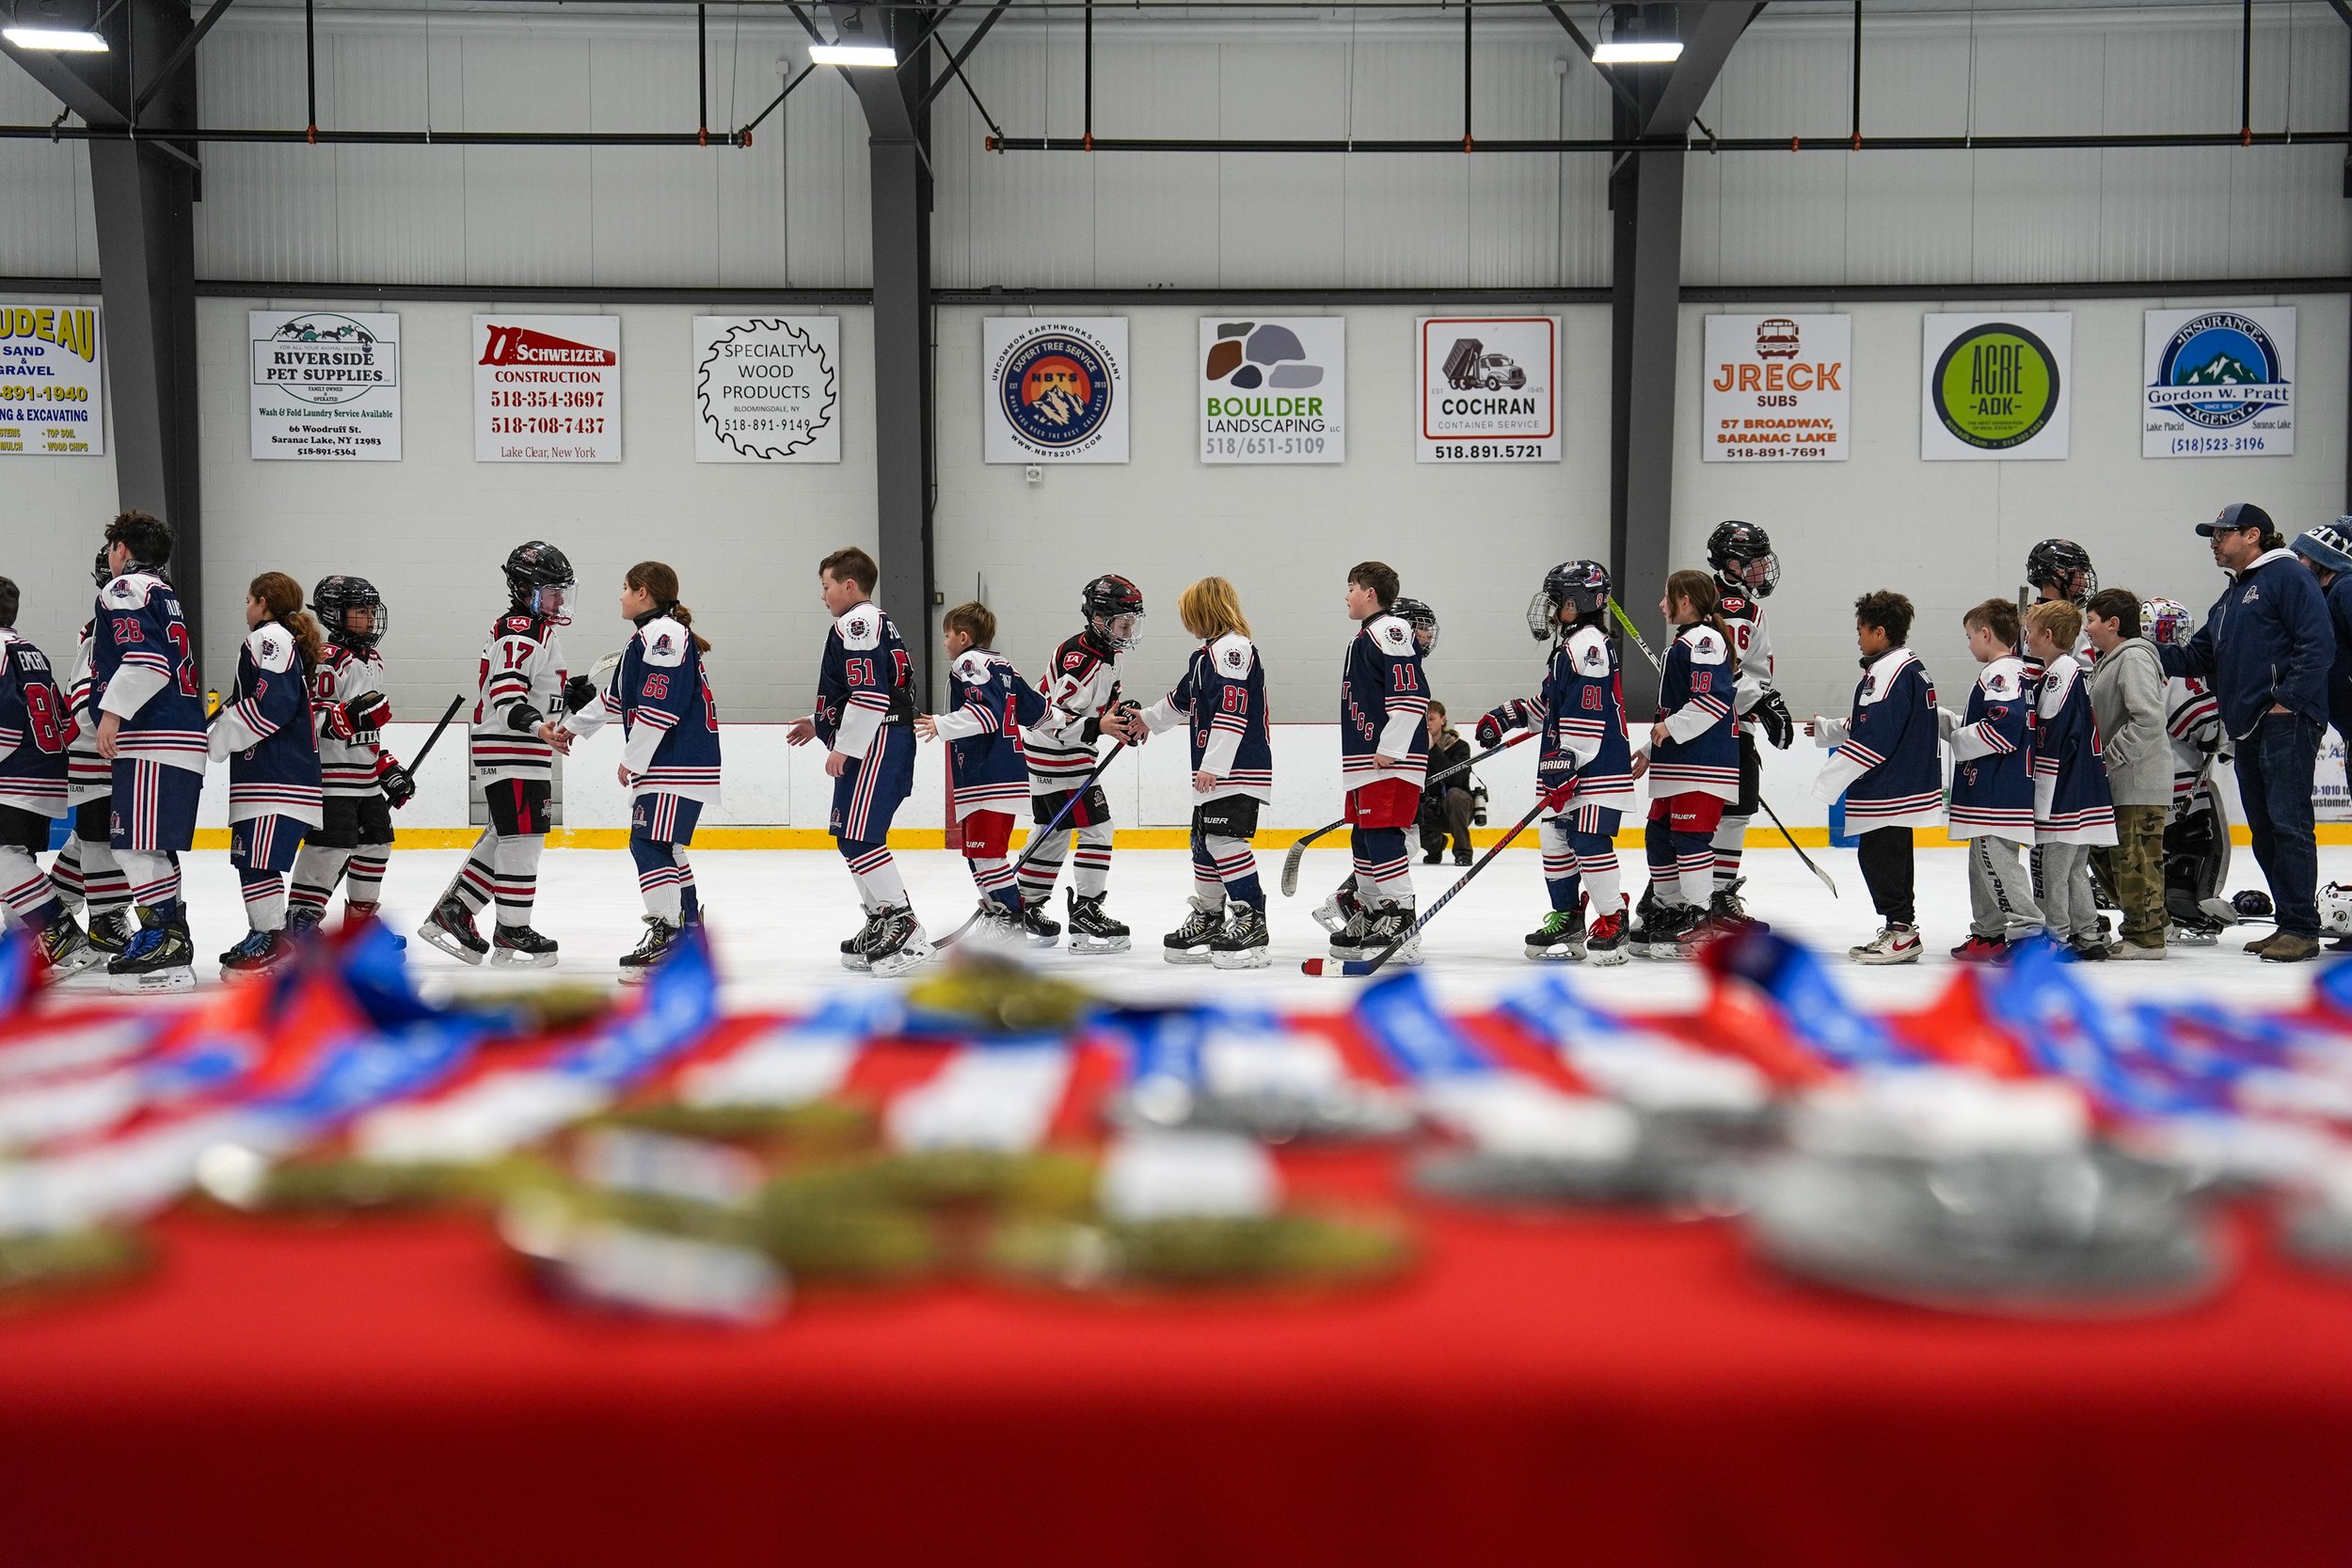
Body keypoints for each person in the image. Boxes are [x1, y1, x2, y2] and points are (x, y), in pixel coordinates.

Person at [2159, 501, 2332, 963]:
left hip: (2285, 722)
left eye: (2221, 533)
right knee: (2265, 830)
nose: (2214, 543)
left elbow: (2319, 643)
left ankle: (2301, 927)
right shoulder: (2233, 594)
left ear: (2253, 535)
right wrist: (2133, 648)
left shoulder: (2287, 576)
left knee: (2289, 825)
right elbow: (2198, 657)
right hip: (2251, 726)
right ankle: (2288, 924)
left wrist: (2287, 701)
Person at [560, 562, 723, 982]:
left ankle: (669, 942)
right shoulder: (650, 637)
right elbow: (616, 699)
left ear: (644, 593)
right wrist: (569, 728)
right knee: (665, 846)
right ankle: (687, 936)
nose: (620, 595)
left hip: (675, 759)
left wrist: (632, 759)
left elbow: (657, 707)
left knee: (648, 844)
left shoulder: (663, 634)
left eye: (625, 588)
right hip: (675, 759)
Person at [418, 541, 577, 969]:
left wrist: (564, 696)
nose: (559, 599)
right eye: (550, 590)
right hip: (511, 747)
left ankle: (455, 912)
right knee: (522, 840)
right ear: (525, 589)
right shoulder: (522, 630)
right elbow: (508, 695)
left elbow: (528, 686)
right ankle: (513, 930)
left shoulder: (529, 629)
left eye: (562, 590)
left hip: (512, 748)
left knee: (506, 835)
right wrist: (541, 726)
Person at [1482, 559, 1635, 965]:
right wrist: (1510, 715)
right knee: (1555, 840)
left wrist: (1570, 757)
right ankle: (1568, 915)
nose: (1550, 609)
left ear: (1578, 601)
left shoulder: (1589, 643)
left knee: (1587, 840)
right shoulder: (1569, 645)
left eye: (1557, 600)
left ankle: (1612, 916)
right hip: (1564, 765)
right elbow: (1553, 706)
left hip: (1596, 765)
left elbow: (1589, 707)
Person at [786, 546, 929, 977]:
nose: (823, 595)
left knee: (861, 837)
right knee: (851, 837)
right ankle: (882, 916)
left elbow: (870, 694)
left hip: (876, 740)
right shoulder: (868, 622)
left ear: (849, 585)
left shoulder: (858, 621)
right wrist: (819, 721)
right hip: (876, 736)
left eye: (826, 586)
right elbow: (862, 689)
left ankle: (901, 922)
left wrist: (845, 746)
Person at [91, 511, 207, 993]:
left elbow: (147, 661)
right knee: (152, 847)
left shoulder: (125, 588)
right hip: (178, 737)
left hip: (152, 736)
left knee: (134, 845)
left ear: (121, 547)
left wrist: (111, 715)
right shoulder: (164, 592)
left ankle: (163, 939)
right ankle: (169, 935)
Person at [1138, 577, 1275, 968]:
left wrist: (1213, 765)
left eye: (1188, 614)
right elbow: (1181, 702)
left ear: (1204, 611)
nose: (1186, 621)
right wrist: (1144, 721)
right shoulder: (1205, 656)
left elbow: (1232, 710)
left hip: (1236, 766)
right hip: (1214, 768)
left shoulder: (1233, 649)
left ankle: (1251, 919)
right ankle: (1210, 917)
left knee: (1225, 841)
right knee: (1203, 843)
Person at [1016, 575, 1151, 953]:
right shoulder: (1080, 659)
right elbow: (1055, 719)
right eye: (1120, 622)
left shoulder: (1111, 652)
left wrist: (1121, 716)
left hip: (1060, 753)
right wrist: (1101, 726)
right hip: (1056, 751)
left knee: (1052, 831)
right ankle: (1086, 911)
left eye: (1131, 622)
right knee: (1098, 829)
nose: (1127, 629)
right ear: (1096, 617)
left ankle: (1023, 905)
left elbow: (1102, 705)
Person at [1805, 592, 1941, 964]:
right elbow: (1875, 723)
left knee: (1882, 857)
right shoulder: (1907, 666)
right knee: (1889, 855)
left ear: (1880, 632)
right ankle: (1901, 928)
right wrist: (1828, 730)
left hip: (1890, 783)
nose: (1858, 637)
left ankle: (1902, 931)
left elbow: (1876, 738)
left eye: (1861, 630)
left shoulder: (1886, 672)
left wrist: (1828, 783)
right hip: (1902, 779)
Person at [207, 573, 326, 981]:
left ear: (263, 603)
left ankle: (275, 942)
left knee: (257, 863)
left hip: (276, 777)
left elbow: (271, 704)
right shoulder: (279, 638)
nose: (245, 609)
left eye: (247, 600)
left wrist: (219, 737)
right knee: (254, 861)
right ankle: (267, 934)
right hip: (274, 776)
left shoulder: (268, 637)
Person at [914, 601, 1048, 946]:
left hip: (990, 775)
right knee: (979, 853)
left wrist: (941, 723)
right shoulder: (1003, 665)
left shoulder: (969, 662)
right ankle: (998, 912)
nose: (944, 643)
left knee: (987, 854)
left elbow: (986, 715)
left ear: (963, 637)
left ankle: (1011, 919)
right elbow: (1039, 712)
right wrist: (1085, 724)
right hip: (991, 776)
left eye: (946, 636)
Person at [287, 577, 413, 936]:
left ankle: (360, 928)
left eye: (372, 610)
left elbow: (368, 731)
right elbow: (309, 717)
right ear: (334, 615)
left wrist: (386, 766)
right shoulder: (328, 660)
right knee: (328, 849)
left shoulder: (373, 660)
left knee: (377, 845)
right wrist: (347, 717)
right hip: (331, 778)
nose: (370, 618)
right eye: (361, 610)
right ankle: (302, 919)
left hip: (364, 780)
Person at [1629, 570, 1740, 959]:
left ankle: (1700, 919)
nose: (1662, 605)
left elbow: (1712, 702)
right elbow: (1682, 708)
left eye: (1667, 597)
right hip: (1679, 762)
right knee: (1659, 834)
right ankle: (1670, 908)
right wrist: (1650, 746)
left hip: (1702, 764)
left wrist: (1668, 728)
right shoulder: (1690, 640)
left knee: (1691, 840)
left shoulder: (1705, 640)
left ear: (1686, 601)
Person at [1326, 562, 1431, 966]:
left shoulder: (1391, 629)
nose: (1347, 594)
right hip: (1366, 760)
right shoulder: (1367, 635)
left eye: (1351, 586)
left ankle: (1400, 915)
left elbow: (1411, 694)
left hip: (1388, 760)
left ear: (1370, 593)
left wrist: (1392, 746)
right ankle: (1372, 914)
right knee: (1364, 838)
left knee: (1384, 836)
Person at [1702, 521, 1797, 928]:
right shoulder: (1736, 609)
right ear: (1733, 564)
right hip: (1726, 728)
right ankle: (1713, 900)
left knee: (1707, 815)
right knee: (1730, 814)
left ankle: (1673, 898)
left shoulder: (1715, 598)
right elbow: (1729, 675)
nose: (1762, 571)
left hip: (1717, 726)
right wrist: (1762, 699)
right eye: (1755, 563)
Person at [0, 576, 95, 973]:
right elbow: (61, 715)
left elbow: (5, 716)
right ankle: (23, 942)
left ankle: (57, 928)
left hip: (13, 773)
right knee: (14, 859)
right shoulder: (29, 651)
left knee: (3, 858)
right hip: (44, 769)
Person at [44, 548, 132, 965]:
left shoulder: (119, 628)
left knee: (92, 836)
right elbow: (84, 701)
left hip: (108, 752)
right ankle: (106, 921)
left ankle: (51, 906)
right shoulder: (102, 633)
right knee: (101, 836)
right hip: (95, 753)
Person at [1943, 598, 2042, 963]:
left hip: (1997, 790)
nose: (1969, 644)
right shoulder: (2012, 671)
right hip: (1991, 788)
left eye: (1970, 636)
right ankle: (1989, 932)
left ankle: (2028, 931)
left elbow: (2003, 727)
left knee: (1995, 858)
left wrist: (1958, 739)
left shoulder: (2001, 673)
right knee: (1982, 860)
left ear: (1986, 634)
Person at [2023, 600, 2117, 959]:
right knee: (2075, 869)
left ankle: (2056, 937)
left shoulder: (2061, 674)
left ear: (2047, 635)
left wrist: (2039, 796)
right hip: (2084, 788)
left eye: (2031, 632)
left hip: (2065, 792)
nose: (2027, 639)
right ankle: (2089, 933)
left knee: (2052, 867)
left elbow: (2051, 736)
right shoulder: (2065, 671)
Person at [2084, 590, 2170, 959]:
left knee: (2133, 859)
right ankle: (2154, 920)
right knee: (2115, 857)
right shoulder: (2113, 660)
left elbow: (2149, 718)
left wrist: (2110, 758)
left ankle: (2146, 936)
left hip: (2136, 780)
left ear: (2113, 623)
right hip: (2122, 781)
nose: (2087, 628)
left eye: (2091, 620)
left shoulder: (2133, 658)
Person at [2144, 595, 2234, 944]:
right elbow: (2208, 728)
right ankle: (2192, 905)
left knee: (2152, 851)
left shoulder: (2123, 662)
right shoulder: (2178, 675)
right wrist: (2228, 738)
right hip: (2180, 782)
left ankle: (2155, 910)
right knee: (2205, 843)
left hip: (2138, 782)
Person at [2290, 520, 2352, 754]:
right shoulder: (2328, 594)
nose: (2298, 564)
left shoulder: (2345, 588)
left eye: (2302, 556)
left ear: (2321, 559)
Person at [2026, 538, 2100, 661]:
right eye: (2080, 574)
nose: (2086, 583)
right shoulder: (2039, 625)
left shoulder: (2065, 620)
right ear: (2059, 574)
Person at [1418, 702, 1473, 866]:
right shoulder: (1413, 748)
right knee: (1407, 801)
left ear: (1443, 720)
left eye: (1431, 718)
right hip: (1429, 808)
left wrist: (1432, 749)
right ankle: (1435, 845)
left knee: (1456, 795)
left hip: (1456, 809)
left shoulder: (1460, 747)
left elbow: (1456, 779)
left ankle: (1463, 852)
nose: (1427, 723)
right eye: (1423, 720)